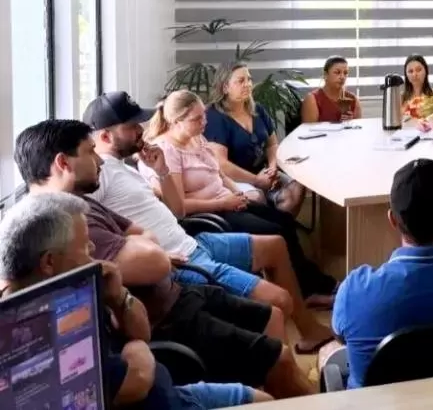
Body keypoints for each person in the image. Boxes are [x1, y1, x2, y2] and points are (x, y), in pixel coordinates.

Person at [13, 119, 317, 399]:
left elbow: (146, 236)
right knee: (279, 353)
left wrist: (141, 244)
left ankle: (278, 381)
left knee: (273, 315)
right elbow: (154, 259)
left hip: (178, 289)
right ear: (63, 163)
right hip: (169, 319)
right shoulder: (57, 226)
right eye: (90, 152)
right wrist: (142, 247)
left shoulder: (79, 204)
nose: (98, 160)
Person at [83, 91, 336, 354]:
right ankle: (280, 369)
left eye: (139, 123)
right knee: (278, 300)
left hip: (192, 241)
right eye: (131, 126)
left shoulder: (124, 168)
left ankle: (309, 331)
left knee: (276, 244)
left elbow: (177, 210)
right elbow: (92, 229)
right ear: (105, 136)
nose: (140, 130)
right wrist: (156, 255)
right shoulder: (99, 177)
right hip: (183, 261)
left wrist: (162, 171)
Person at [0, 192, 271, 408]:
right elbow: (136, 381)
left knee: (265, 401)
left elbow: (142, 331)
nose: (93, 248)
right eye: (84, 244)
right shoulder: (32, 333)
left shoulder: (74, 285)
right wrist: (136, 348)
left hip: (171, 393)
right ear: (49, 262)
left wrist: (119, 296)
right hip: (161, 400)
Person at [141, 90, 337, 318]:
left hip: (228, 201)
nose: (204, 122)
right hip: (209, 213)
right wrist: (224, 203)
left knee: (285, 221)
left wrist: (238, 194)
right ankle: (307, 291)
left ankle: (313, 283)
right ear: (176, 121)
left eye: (204, 115)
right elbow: (180, 206)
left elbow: (219, 174)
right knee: (275, 231)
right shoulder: (167, 151)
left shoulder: (196, 138)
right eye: (197, 119)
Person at [319, 158, 433, 389]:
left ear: (392, 220)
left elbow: (341, 337)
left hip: (378, 404)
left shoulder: (355, 291)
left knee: (328, 354)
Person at [203, 62, 305, 217]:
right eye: (241, 81)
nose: (248, 84)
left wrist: (272, 168)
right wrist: (256, 180)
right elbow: (221, 164)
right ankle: (271, 227)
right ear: (225, 87)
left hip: (262, 172)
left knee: (297, 188)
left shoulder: (258, 109)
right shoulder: (214, 116)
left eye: (249, 79)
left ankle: (282, 227)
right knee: (257, 198)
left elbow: (272, 144)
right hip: (233, 179)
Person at [300, 55, 362, 124]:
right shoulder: (312, 99)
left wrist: (351, 122)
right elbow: (308, 129)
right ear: (326, 75)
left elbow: (359, 128)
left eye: (345, 73)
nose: (342, 77)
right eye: (337, 72)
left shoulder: (353, 99)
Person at [400, 54, 433, 120]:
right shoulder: (400, 98)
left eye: (418, 70)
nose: (414, 74)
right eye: (410, 71)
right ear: (406, 75)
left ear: (426, 71)